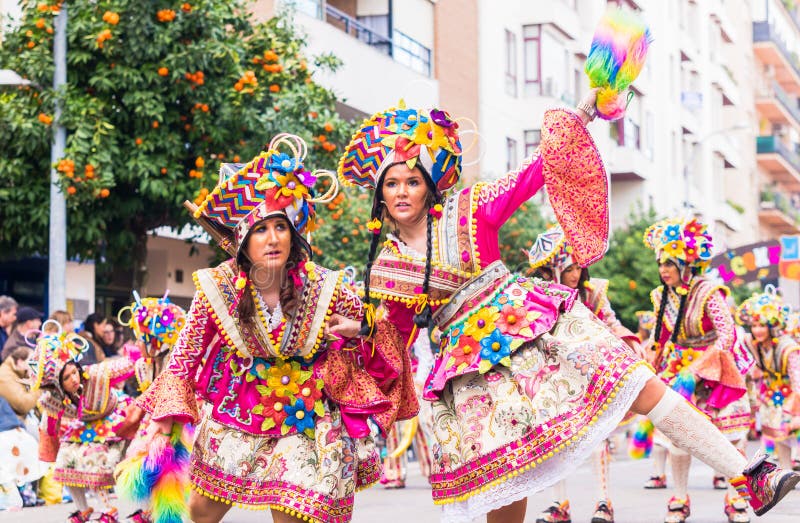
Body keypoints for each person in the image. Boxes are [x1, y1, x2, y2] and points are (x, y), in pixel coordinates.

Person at [336, 95, 800, 523]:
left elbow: (532, 172)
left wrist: (582, 114)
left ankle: (750, 475)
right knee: (502, 479)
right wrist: (357, 331)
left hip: (535, 327)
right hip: (470, 369)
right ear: (379, 195)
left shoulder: (471, 210)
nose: (401, 191)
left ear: (430, 184)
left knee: (639, 384)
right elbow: (393, 336)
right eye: (391, 183)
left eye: (412, 180)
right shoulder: (387, 267)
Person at [135, 134, 417, 523]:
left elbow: (381, 328)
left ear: (294, 233)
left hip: (308, 415)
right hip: (240, 408)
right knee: (200, 512)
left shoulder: (324, 285)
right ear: (243, 240)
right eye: (261, 229)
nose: (272, 238)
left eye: (280, 227)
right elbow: (184, 356)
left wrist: (360, 329)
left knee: (293, 513)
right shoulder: (217, 286)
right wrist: (168, 414)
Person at [527, 226, 643, 523]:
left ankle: (604, 503)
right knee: (553, 441)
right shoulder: (539, 294)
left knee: (598, 438)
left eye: (579, 267)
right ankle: (558, 504)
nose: (575, 274)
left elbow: (611, 322)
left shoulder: (593, 293)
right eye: (569, 268)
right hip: (554, 377)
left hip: (591, 373)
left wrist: (628, 343)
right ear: (555, 269)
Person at [644, 218, 756, 523]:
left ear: (686, 263)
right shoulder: (660, 296)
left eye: (670, 262)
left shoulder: (708, 290)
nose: (664, 269)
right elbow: (661, 339)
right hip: (679, 372)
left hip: (716, 368)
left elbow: (727, 334)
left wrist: (702, 365)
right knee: (678, 437)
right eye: (661, 263)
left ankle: (736, 499)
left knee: (731, 436)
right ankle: (679, 496)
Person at [30, 323, 139, 523]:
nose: (73, 378)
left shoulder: (96, 373)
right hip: (85, 427)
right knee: (64, 461)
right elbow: (50, 428)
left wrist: (139, 352)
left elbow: (127, 365)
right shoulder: (54, 397)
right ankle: (84, 509)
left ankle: (109, 508)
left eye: (74, 372)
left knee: (93, 460)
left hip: (114, 419)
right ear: (58, 384)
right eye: (66, 377)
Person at [736, 289, 800, 471]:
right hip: (770, 394)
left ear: (772, 325)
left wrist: (795, 410)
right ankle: (787, 473)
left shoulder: (788, 347)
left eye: (762, 325)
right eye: (754, 325)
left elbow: (797, 381)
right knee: (780, 438)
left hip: (792, 394)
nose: (757, 330)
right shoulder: (752, 343)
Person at [0, 346, 40, 422]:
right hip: (10, 423)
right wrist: (40, 387)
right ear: (20, 362)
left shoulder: (19, 372)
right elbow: (24, 405)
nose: (34, 365)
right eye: (31, 361)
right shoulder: (5, 377)